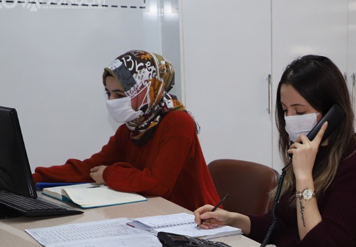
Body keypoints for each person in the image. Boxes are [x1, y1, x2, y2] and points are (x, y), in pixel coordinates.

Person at [194, 55, 356, 247]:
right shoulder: (310, 152)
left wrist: (304, 178)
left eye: (300, 111)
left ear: (332, 113)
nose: (290, 119)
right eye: (285, 110)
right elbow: (283, 225)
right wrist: (233, 220)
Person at [32, 50, 219, 211]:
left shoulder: (178, 122)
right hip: (152, 215)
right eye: (108, 93)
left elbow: (157, 184)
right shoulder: (132, 127)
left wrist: (108, 174)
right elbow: (89, 168)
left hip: (198, 220)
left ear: (146, 89)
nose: (112, 101)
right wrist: (32, 177)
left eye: (120, 94)